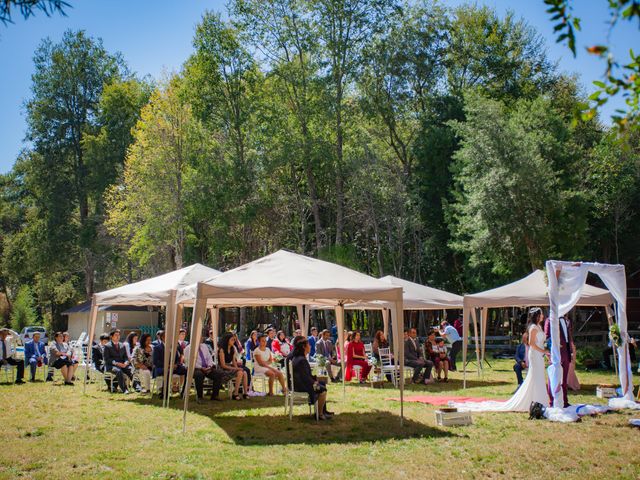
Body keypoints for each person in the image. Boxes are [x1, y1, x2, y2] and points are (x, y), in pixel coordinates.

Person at [451, 307, 550, 413]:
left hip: (539, 355)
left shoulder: (539, 326)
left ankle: (538, 399)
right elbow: (531, 343)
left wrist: (544, 350)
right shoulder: (533, 327)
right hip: (535, 354)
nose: (543, 316)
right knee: (535, 376)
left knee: (539, 376)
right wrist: (544, 351)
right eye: (541, 314)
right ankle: (534, 400)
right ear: (537, 316)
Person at [286, 336, 333, 420]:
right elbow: (305, 378)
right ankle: (319, 414)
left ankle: (323, 410)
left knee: (322, 383)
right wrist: (315, 383)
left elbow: (305, 375)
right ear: (304, 347)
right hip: (301, 386)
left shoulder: (299, 358)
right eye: (308, 345)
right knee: (322, 390)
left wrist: (316, 379)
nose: (310, 346)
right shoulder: (301, 360)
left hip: (300, 384)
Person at [544, 314, 572, 407]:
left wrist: (570, 351)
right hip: (556, 353)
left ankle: (564, 401)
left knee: (564, 379)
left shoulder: (566, 320)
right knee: (553, 378)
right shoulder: (550, 320)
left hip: (566, 353)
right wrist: (550, 352)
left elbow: (568, 338)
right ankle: (552, 402)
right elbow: (547, 337)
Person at [152, 330, 187, 395]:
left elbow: (177, 358)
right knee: (167, 372)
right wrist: (167, 366)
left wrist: (176, 364)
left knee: (186, 370)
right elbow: (156, 362)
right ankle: (165, 393)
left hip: (174, 367)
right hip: (161, 368)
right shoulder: (157, 348)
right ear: (163, 338)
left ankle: (183, 391)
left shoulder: (174, 347)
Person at [218, 332, 249, 400]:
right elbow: (223, 365)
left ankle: (245, 393)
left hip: (230, 367)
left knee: (244, 372)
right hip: (222, 369)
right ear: (227, 340)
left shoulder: (232, 349)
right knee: (240, 372)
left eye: (234, 340)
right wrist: (236, 369)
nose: (234, 341)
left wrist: (237, 368)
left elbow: (234, 362)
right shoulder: (221, 350)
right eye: (232, 340)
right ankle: (235, 393)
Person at [103, 329, 133, 393]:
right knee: (118, 371)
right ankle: (124, 389)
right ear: (111, 336)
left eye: (119, 335)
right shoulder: (107, 346)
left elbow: (125, 357)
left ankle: (137, 386)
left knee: (130, 369)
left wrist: (126, 362)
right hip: (111, 366)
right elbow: (107, 359)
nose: (118, 336)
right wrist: (116, 363)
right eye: (116, 335)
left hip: (122, 364)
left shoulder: (122, 345)